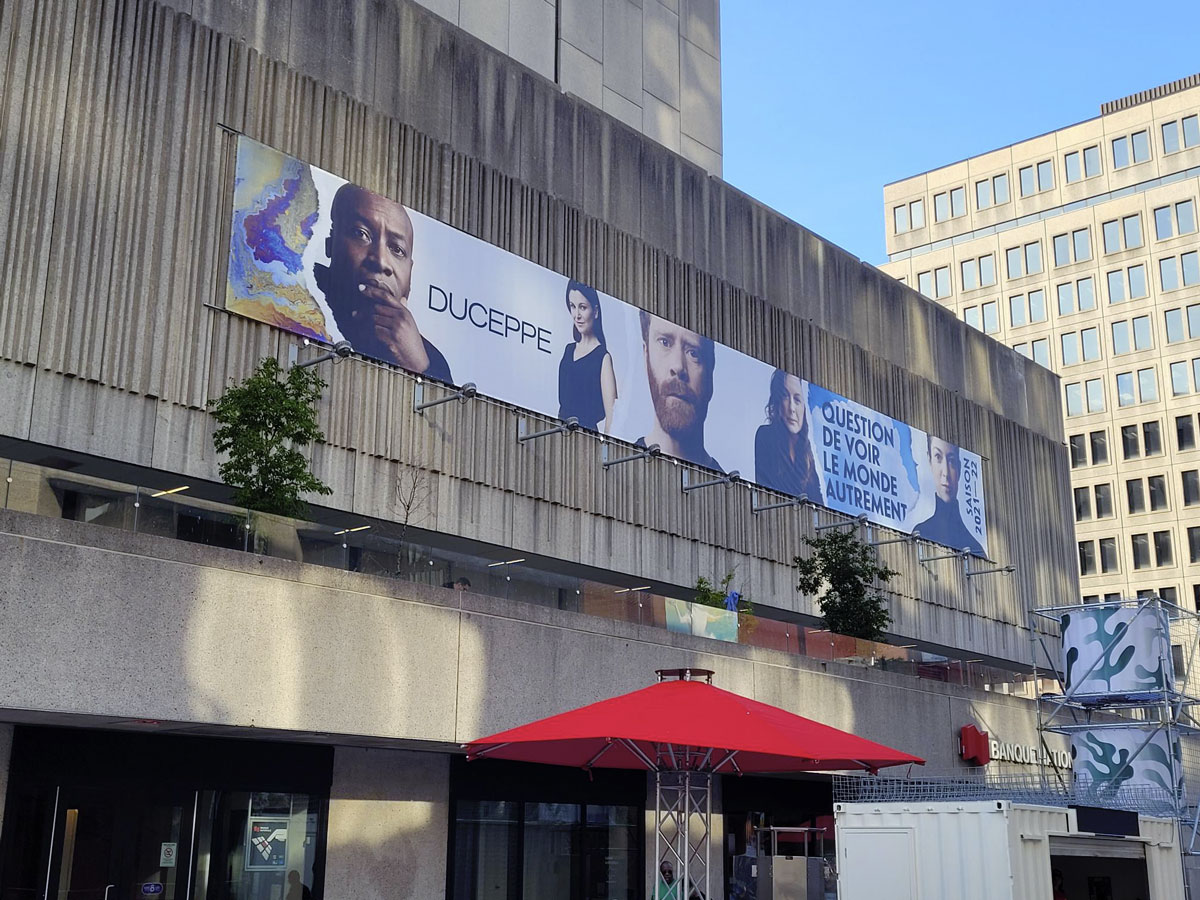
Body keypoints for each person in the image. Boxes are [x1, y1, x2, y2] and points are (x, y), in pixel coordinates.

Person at [314, 183, 452, 382]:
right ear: (330, 244)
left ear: (410, 278)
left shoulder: (430, 359)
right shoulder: (297, 297)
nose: (380, 261)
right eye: (361, 234)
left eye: (397, 249)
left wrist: (419, 366)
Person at [636, 311, 721, 471]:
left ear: (710, 374)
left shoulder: (729, 491)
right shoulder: (617, 469)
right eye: (665, 343)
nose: (678, 366)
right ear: (645, 354)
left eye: (693, 353)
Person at [557, 280, 617, 432]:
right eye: (572, 306)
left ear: (595, 311)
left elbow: (612, 417)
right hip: (560, 433)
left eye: (582, 307)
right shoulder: (568, 350)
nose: (577, 315)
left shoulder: (603, 358)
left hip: (587, 438)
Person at [754, 369, 821, 501]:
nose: (791, 408)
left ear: (804, 407)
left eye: (797, 400)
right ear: (777, 402)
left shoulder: (809, 453)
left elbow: (819, 502)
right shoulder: (765, 436)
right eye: (785, 396)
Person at [914, 436, 985, 556]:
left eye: (951, 461)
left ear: (960, 468)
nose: (946, 473)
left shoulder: (975, 548)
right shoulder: (920, 533)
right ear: (929, 460)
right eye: (938, 457)